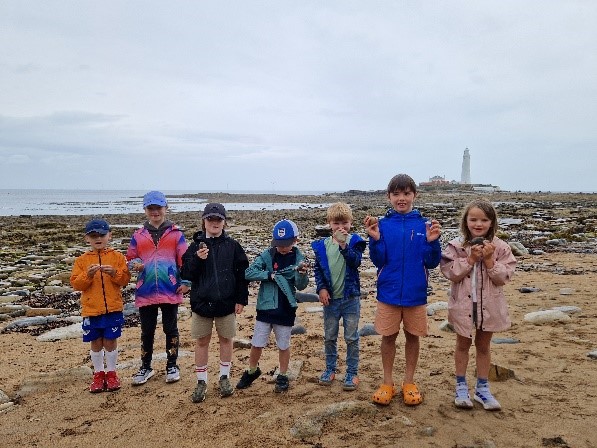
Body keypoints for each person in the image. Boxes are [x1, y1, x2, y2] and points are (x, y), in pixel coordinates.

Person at [364, 174, 441, 406]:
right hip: (388, 292)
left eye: (406, 193)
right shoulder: (383, 225)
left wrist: (432, 242)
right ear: (389, 196)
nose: (401, 198)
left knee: (412, 337)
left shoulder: (424, 225)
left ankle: (409, 381)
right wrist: (375, 239)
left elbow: (432, 262)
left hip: (415, 293)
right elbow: (379, 261)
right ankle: (387, 382)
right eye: (396, 194)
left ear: (414, 196)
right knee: (388, 337)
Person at [440, 199, 516, 411]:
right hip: (463, 306)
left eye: (484, 220)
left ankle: (483, 388)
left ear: (492, 222)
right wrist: (470, 259)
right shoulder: (456, 246)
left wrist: (490, 260)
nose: (478, 224)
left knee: (483, 346)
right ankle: (461, 386)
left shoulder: (500, 247)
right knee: (462, 345)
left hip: (489, 307)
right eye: (473, 219)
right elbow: (450, 272)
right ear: (466, 221)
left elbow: (504, 277)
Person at [181, 203, 249, 403]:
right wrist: (196, 259)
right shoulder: (194, 247)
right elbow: (186, 274)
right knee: (202, 342)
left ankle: (224, 377)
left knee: (226, 340)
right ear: (204, 221)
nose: (214, 223)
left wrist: (241, 299)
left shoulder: (233, 246)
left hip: (226, 304)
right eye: (210, 219)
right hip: (201, 304)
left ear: (224, 222)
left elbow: (242, 275)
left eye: (218, 219)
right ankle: (201, 381)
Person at [236, 219, 309, 393]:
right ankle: (252, 370)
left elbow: (301, 285)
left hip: (286, 308)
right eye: (278, 244)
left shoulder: (299, 259)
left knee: (283, 344)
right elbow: (248, 273)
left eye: (286, 244)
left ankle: (282, 374)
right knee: (257, 343)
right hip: (265, 307)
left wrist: (301, 274)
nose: (281, 248)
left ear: (295, 240)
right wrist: (269, 275)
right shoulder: (267, 255)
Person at [126, 191, 190, 386]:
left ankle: (172, 365)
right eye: (151, 208)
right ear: (145, 210)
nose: (155, 212)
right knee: (147, 331)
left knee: (171, 329)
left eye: (158, 208)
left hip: (170, 289)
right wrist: (135, 263)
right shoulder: (138, 235)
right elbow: (130, 258)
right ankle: (146, 366)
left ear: (165, 208)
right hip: (145, 291)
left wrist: (187, 282)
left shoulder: (176, 234)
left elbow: (185, 260)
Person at [70, 219, 131, 393]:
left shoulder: (117, 257)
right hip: (91, 309)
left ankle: (111, 373)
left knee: (110, 340)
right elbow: (76, 284)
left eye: (102, 235)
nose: (98, 238)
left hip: (112, 307)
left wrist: (115, 273)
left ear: (109, 236)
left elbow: (125, 280)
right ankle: (98, 374)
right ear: (86, 238)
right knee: (95, 341)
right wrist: (87, 276)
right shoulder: (81, 260)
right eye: (93, 235)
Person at [311, 202, 366, 391]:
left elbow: (356, 262)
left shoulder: (355, 242)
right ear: (329, 223)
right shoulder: (321, 246)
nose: (340, 227)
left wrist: (344, 246)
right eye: (336, 223)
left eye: (344, 223)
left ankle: (351, 372)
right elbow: (318, 270)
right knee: (329, 336)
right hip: (330, 301)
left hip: (351, 299)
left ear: (351, 222)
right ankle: (330, 369)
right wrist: (321, 289)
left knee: (351, 337)